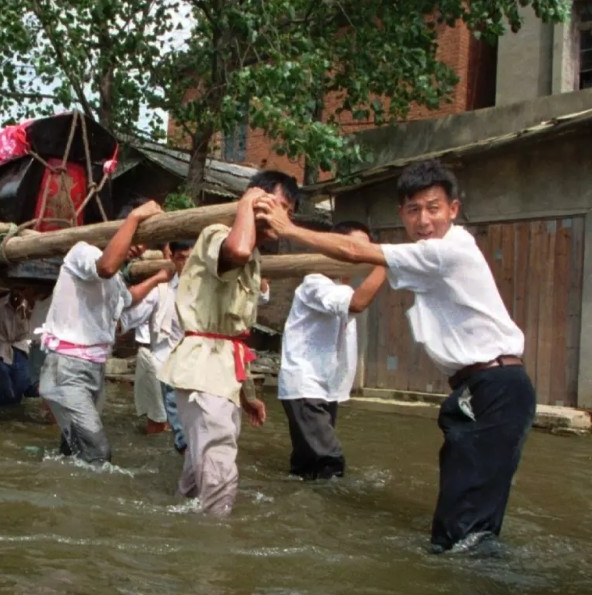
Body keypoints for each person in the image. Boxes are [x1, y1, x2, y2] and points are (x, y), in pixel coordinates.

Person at [255, 159, 534, 552]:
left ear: (453, 209)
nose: (423, 220)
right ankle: (467, 584)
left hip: (494, 387)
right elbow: (360, 264)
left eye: (433, 208)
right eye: (413, 210)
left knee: (465, 523)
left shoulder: (447, 251)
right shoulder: (320, 281)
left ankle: (475, 588)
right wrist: (373, 257)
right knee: (462, 511)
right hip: (483, 388)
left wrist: (288, 229)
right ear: (402, 214)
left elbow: (356, 262)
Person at [159, 171, 299, 517]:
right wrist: (247, 204)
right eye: (278, 206)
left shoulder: (253, 255)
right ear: (256, 199)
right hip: (203, 370)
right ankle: (215, 548)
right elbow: (235, 250)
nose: (283, 219)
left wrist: (246, 394)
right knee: (218, 464)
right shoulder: (218, 235)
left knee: (198, 470)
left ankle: (181, 535)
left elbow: (233, 335)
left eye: (289, 213)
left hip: (218, 373)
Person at [38, 200, 173, 464]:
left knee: (74, 449)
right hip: (67, 368)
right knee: (97, 453)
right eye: (136, 237)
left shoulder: (116, 279)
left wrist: (157, 278)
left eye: (144, 242)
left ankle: (61, 496)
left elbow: (128, 298)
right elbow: (106, 267)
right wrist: (134, 217)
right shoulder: (83, 252)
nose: (139, 247)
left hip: (94, 368)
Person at [277, 222, 388, 480]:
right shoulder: (314, 282)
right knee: (329, 461)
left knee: (308, 464)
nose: (362, 253)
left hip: (326, 386)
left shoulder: (341, 286)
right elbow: (357, 304)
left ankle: (296, 507)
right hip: (306, 384)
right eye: (355, 247)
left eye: (366, 248)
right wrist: (385, 262)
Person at [119, 240, 194, 447]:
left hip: (194, 370)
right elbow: (131, 316)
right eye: (181, 258)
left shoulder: (206, 291)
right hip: (161, 367)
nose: (187, 264)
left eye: (192, 258)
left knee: (191, 429)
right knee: (159, 424)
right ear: (172, 259)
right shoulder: (161, 291)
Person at [0, 288, 41, 406]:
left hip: (20, 350)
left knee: (18, 391)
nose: (18, 296)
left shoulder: (28, 307)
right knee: (5, 395)